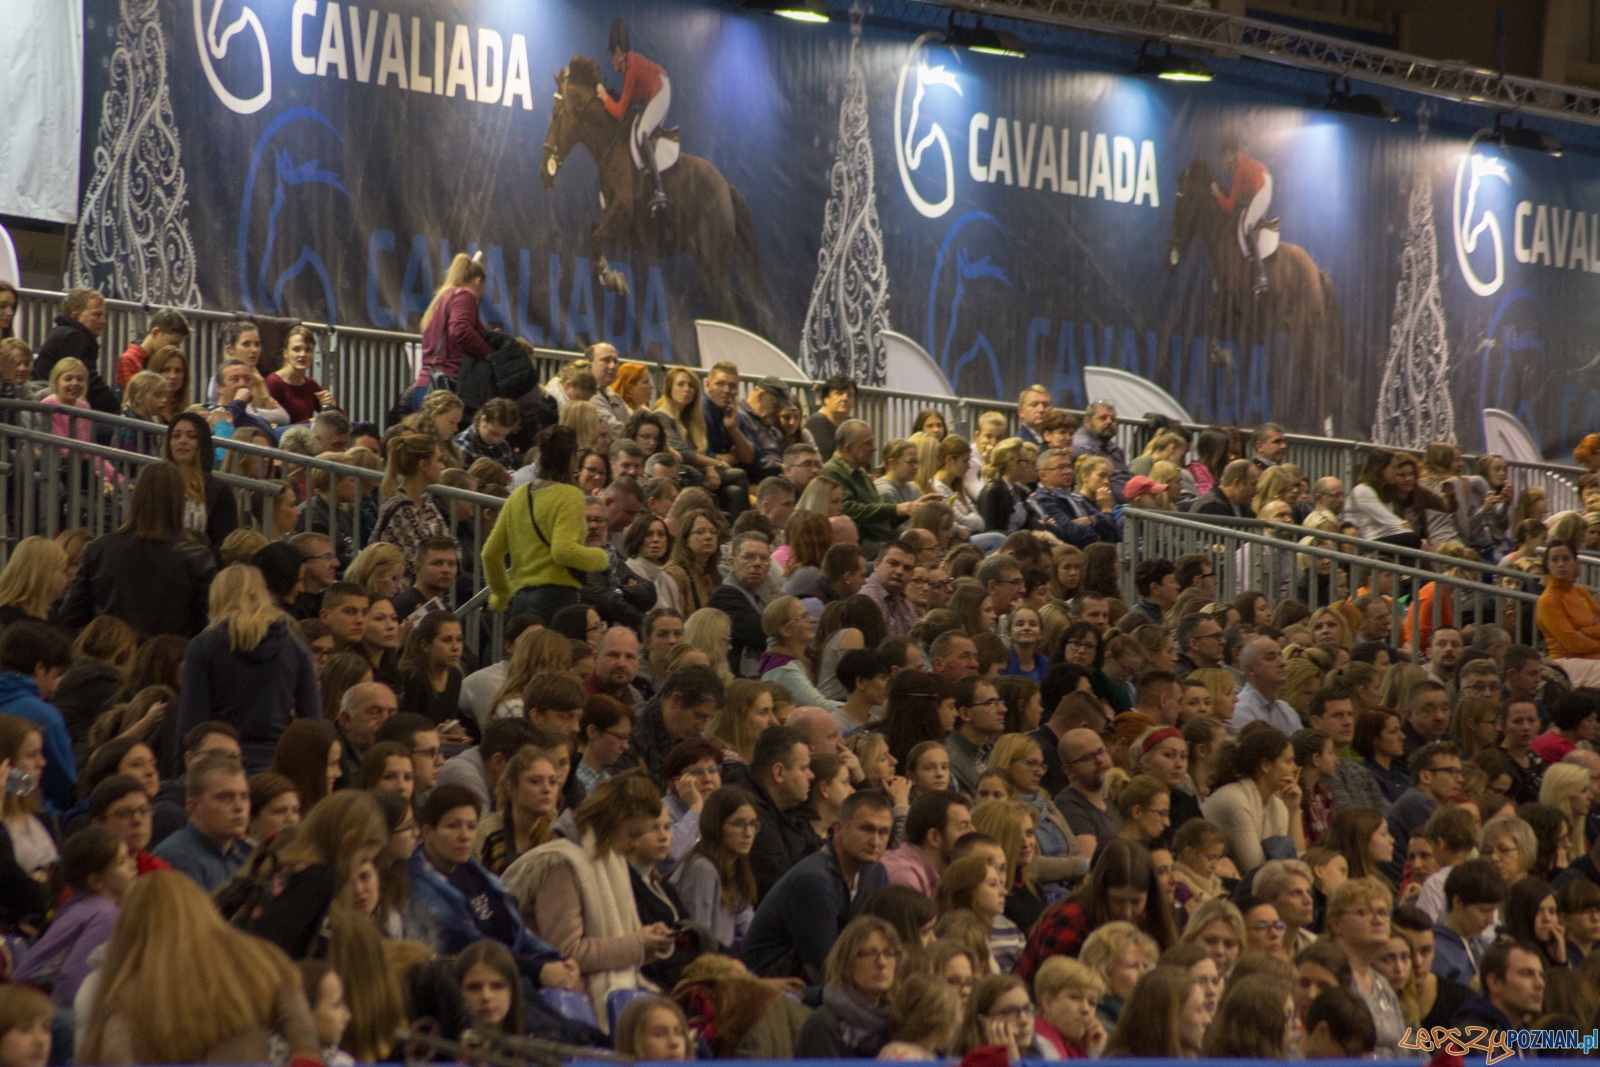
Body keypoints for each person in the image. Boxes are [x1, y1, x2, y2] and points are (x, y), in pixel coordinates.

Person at [75, 871, 318, 1065]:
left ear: (130, 926)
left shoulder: (130, 988)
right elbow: (300, 1026)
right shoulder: (260, 959)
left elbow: (115, 1053)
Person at [500, 772, 671, 1020]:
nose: (636, 844)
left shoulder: (612, 857)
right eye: (633, 834)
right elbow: (567, 952)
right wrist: (637, 944)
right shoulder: (562, 865)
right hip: (569, 1000)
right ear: (612, 820)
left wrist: (649, 943)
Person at [176, 564, 320, 773]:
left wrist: (180, 778)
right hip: (278, 767)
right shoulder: (294, 644)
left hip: (220, 766)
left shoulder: (204, 645)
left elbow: (191, 723)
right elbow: (312, 721)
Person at [743, 790, 892, 981]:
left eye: (883, 832)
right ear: (839, 829)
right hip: (775, 987)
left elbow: (884, 942)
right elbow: (825, 968)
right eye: (867, 829)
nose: (875, 842)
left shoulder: (876, 872)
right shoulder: (814, 880)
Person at [60, 463, 217, 639]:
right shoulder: (199, 558)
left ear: (136, 497)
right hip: (170, 661)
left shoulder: (98, 549)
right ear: (180, 501)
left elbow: (71, 614)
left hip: (111, 658)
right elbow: (206, 625)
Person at [484, 425, 611, 619]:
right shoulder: (570, 496)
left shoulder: (519, 494)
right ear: (572, 457)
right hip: (556, 600)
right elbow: (563, 551)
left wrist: (501, 595)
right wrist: (599, 558)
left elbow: (490, 553)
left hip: (520, 600)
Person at [1200, 723, 1304, 873]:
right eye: (1288, 761)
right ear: (1266, 766)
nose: (1295, 768)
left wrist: (1294, 809)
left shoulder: (1278, 804)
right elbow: (1255, 869)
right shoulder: (1234, 800)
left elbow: (1297, 860)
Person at [791, 914, 900, 1058]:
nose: (882, 962)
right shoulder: (824, 1025)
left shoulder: (897, 1018)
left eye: (888, 953)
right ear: (846, 961)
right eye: (869, 953)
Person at [669, 785, 759, 951]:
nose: (748, 833)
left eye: (753, 824)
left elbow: (748, 924)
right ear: (717, 826)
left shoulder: (735, 866)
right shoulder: (702, 869)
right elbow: (699, 940)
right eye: (739, 824)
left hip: (723, 959)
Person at [149, 753, 252, 890]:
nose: (239, 806)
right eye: (225, 797)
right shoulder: (177, 858)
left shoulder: (243, 854)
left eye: (244, 796)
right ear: (193, 806)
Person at [1452, 938, 1546, 1035]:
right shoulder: (1471, 1042)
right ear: (1494, 983)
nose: (1540, 984)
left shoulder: (1519, 1035)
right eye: (1526, 974)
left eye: (1541, 976)